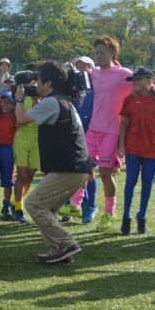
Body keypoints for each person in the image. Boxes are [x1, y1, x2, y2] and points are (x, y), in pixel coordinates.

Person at [14, 61, 91, 263]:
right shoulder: (62, 100)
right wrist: (35, 97)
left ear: (48, 83)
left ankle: (67, 243)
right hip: (75, 167)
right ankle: (58, 250)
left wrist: (19, 99)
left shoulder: (52, 103)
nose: (35, 82)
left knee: (33, 204)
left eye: (38, 79)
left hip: (68, 168)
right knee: (47, 208)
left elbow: (21, 119)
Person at [87, 37, 135, 231]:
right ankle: (77, 205)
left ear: (113, 53)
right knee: (84, 167)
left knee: (105, 173)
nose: (98, 56)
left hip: (112, 130)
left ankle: (109, 213)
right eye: (96, 53)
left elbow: (144, 84)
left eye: (102, 53)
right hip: (92, 128)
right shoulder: (93, 73)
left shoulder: (123, 73)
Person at [116, 67, 155, 235]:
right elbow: (123, 123)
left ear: (149, 81)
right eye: (133, 80)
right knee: (130, 181)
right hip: (133, 146)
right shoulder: (129, 99)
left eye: (138, 80)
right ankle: (126, 217)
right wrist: (121, 145)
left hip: (152, 147)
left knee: (147, 182)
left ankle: (142, 216)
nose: (135, 83)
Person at [67, 56, 97, 221]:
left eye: (85, 66)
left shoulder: (98, 88)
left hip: (91, 133)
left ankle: (89, 206)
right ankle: (70, 205)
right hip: (72, 134)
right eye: (78, 67)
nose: (81, 70)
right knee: (70, 172)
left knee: (89, 172)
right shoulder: (71, 89)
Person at [0, 91, 17, 220]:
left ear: (14, 105)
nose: (5, 105)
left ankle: (6, 206)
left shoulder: (15, 118)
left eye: (8, 103)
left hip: (8, 150)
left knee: (8, 181)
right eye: (2, 102)